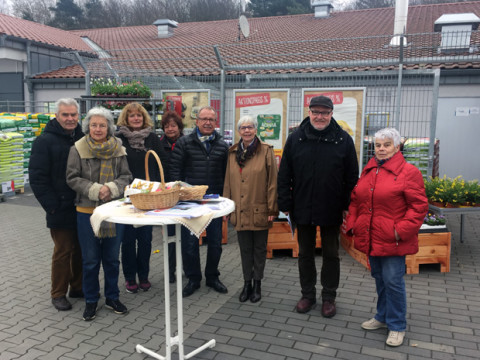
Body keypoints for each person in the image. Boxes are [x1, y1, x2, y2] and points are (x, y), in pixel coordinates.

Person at [345, 128, 428, 347]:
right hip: (372, 237)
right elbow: (356, 199)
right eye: (378, 145)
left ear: (397, 147)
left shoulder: (408, 172)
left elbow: (418, 207)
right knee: (380, 280)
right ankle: (382, 317)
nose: (381, 149)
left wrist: (399, 231)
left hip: (392, 239)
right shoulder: (370, 170)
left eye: (387, 144)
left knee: (393, 282)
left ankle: (397, 325)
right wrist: (353, 222)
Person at [277, 95, 359, 317]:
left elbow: (352, 177)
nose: (320, 116)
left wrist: (346, 205)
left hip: (332, 207)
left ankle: (329, 297)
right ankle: (307, 295)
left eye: (325, 112)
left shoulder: (343, 140)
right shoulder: (296, 139)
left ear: (331, 114)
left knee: (331, 253)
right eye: (316, 112)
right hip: (302, 206)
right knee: (305, 253)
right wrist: (284, 202)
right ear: (309, 112)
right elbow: (284, 173)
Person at [66, 107, 132, 321]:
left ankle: (112, 297)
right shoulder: (77, 148)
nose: (97, 129)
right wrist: (96, 190)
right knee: (91, 260)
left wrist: (111, 188)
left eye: (102, 125)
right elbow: (72, 178)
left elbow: (126, 176)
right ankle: (92, 300)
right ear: (87, 127)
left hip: (113, 212)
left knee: (112, 259)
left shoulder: (119, 148)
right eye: (93, 125)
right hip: (86, 212)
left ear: (109, 127)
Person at [29, 98, 84, 311]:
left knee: (80, 249)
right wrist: (51, 205)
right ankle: (58, 293)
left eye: (73, 115)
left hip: (82, 204)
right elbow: (37, 177)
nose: (70, 119)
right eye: (65, 115)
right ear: (56, 115)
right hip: (59, 207)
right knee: (63, 251)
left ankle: (77, 287)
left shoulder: (82, 137)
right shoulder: (44, 141)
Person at [170, 106, 229, 297]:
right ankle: (193, 278)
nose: (207, 123)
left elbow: (227, 175)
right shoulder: (184, 143)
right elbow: (175, 172)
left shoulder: (222, 145)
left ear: (216, 122)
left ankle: (212, 276)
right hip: (190, 203)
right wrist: (178, 198)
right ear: (197, 121)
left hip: (214, 203)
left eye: (211, 119)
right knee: (189, 243)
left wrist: (226, 202)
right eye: (204, 119)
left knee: (215, 243)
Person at [223, 115, 278, 303]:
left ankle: (257, 284)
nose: (247, 130)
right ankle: (247, 283)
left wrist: (272, 210)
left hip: (259, 209)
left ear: (256, 130)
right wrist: (227, 207)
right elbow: (228, 182)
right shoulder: (232, 153)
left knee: (259, 249)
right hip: (239, 209)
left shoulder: (266, 151)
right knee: (245, 249)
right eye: (243, 127)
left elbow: (272, 182)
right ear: (239, 131)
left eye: (250, 127)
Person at [116, 102, 167, 294]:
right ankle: (130, 278)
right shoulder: (119, 139)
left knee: (145, 240)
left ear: (144, 118)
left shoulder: (152, 138)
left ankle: (144, 275)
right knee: (128, 241)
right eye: (132, 116)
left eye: (139, 115)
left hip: (149, 198)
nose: (136, 118)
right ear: (126, 119)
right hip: (128, 197)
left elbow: (162, 160)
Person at [159, 110, 185, 284]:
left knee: (186, 235)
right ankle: (170, 270)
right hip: (166, 196)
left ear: (179, 127)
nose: (170, 129)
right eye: (167, 126)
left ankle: (188, 268)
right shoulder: (158, 144)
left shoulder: (186, 143)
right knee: (170, 236)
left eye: (173, 125)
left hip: (184, 194)